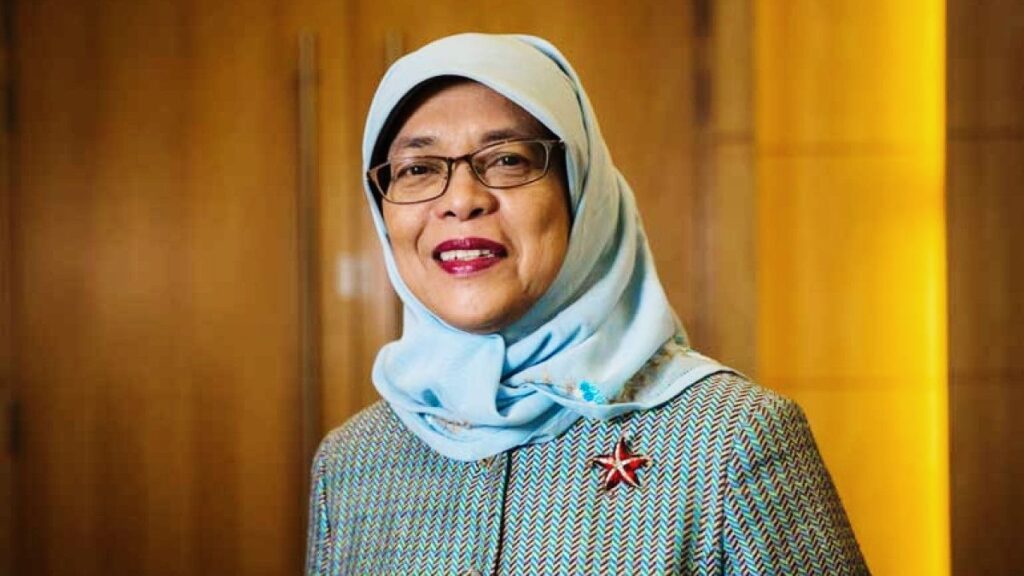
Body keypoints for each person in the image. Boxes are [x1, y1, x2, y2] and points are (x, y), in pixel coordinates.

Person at [306, 33, 868, 575]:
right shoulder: (352, 462)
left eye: (507, 160)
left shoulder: (731, 438)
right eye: (418, 169)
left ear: (582, 191)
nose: (461, 201)